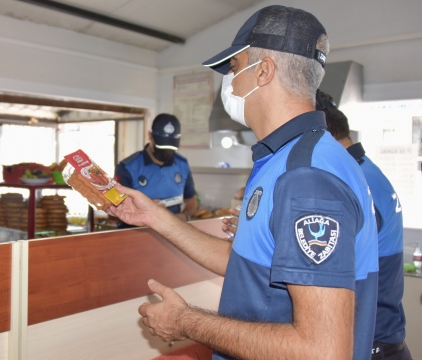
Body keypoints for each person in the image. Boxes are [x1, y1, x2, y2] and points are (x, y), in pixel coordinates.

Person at [108, 5, 379, 360]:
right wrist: (156, 218)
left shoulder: (306, 176)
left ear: (263, 71)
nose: (230, 84)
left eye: (234, 68)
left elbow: (323, 351)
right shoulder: (287, 159)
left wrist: (186, 322)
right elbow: (251, 266)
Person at [317, 90, 411, 360]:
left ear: (323, 134)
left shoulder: (353, 181)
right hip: (385, 341)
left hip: (372, 346)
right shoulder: (365, 170)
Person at [114, 113, 197, 227]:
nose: (166, 153)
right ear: (150, 136)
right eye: (161, 147)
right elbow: (114, 209)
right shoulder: (127, 168)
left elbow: (191, 200)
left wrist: (184, 216)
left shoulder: (182, 164)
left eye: (170, 148)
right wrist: (143, 210)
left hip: (173, 235)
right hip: (135, 236)